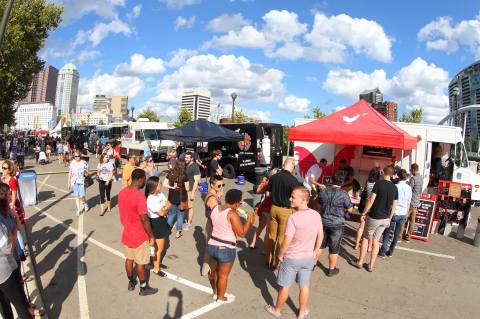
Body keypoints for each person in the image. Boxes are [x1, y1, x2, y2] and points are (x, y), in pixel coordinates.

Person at [264, 187, 323, 319]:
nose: (290, 199)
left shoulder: (293, 218)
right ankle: (302, 312)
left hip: (292, 258)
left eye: (293, 197)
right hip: (308, 258)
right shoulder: (316, 215)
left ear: (303, 200)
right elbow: (320, 235)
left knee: (285, 286)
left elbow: (287, 241)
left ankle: (277, 310)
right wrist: (315, 252)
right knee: (304, 286)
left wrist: (280, 255)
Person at [208, 189, 255, 303]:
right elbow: (242, 233)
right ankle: (221, 297)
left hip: (212, 245)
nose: (241, 204)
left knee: (215, 272)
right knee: (223, 275)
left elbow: (212, 223)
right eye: (240, 202)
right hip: (226, 248)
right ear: (237, 202)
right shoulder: (232, 214)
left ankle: (216, 292)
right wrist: (248, 220)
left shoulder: (215, 208)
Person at [118, 169, 158, 296]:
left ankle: (131, 281)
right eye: (144, 179)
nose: (145, 181)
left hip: (127, 232)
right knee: (140, 263)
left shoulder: (122, 193)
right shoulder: (140, 196)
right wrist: (151, 235)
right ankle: (143, 287)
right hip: (139, 235)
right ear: (140, 179)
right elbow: (144, 219)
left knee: (129, 259)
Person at [353, 166, 398, 272]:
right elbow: (394, 205)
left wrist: (364, 212)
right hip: (385, 218)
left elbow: (371, 199)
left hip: (374, 216)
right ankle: (371, 265)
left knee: (366, 238)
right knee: (377, 240)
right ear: (391, 175)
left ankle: (360, 262)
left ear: (384, 173)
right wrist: (389, 219)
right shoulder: (394, 188)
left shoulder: (379, 184)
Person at [0, 187, 35, 319]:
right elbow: (8, 248)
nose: (11, 197)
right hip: (6, 271)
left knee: (4, 306)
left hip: (7, 268)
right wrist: (14, 232)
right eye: (8, 195)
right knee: (21, 305)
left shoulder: (7, 213)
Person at [316, 171, 353, 276]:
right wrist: (344, 211)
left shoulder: (323, 191)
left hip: (323, 221)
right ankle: (331, 270)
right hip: (337, 224)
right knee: (334, 248)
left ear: (332, 180)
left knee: (319, 245)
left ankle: (312, 264)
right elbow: (350, 209)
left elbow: (318, 205)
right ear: (342, 182)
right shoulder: (344, 194)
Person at [267, 158, 300, 269]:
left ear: (283, 164)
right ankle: (276, 264)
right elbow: (295, 199)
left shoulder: (274, 177)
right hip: (285, 211)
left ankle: (268, 260)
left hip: (273, 208)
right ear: (292, 165)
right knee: (281, 238)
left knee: (271, 236)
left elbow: (268, 194)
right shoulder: (294, 181)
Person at [380, 169, 412, 257]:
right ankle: (391, 251)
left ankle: (383, 251)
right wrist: (406, 213)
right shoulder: (409, 188)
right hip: (403, 213)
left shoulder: (395, 186)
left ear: (398, 176)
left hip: (394, 212)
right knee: (396, 234)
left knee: (387, 232)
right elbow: (408, 202)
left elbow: (392, 201)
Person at [145, 176, 171, 277]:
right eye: (160, 183)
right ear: (155, 186)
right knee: (159, 248)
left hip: (160, 221)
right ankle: (156, 268)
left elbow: (169, 204)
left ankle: (155, 262)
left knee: (155, 247)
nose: (161, 184)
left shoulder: (160, 194)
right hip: (156, 223)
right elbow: (161, 213)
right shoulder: (151, 199)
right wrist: (165, 210)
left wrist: (165, 210)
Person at [201, 175, 224, 276]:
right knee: (211, 249)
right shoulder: (211, 198)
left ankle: (206, 270)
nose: (221, 188)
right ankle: (208, 271)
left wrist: (219, 196)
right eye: (219, 186)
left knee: (210, 249)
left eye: (223, 185)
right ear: (211, 185)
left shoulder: (214, 195)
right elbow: (217, 213)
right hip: (212, 226)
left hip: (211, 224)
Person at [355, 167, 382, 249]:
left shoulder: (367, 181)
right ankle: (369, 247)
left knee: (361, 226)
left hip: (363, 205)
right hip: (371, 207)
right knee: (371, 230)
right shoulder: (378, 184)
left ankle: (356, 244)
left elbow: (362, 190)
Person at [164, 161, 189, 239]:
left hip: (172, 198)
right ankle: (178, 232)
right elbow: (187, 188)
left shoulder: (171, 173)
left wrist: (172, 187)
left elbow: (164, 184)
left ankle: (166, 230)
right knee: (180, 216)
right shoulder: (184, 175)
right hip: (182, 198)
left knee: (171, 215)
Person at [1, 160, 26, 225]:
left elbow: (14, 196)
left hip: (12, 204)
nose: (2, 170)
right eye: (2, 168)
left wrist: (12, 206)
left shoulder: (12, 180)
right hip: (5, 203)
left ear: (9, 170)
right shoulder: (2, 179)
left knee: (15, 224)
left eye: (4, 168)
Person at [405, 163, 423, 241]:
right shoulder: (421, 177)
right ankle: (408, 236)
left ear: (413, 170)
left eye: (410, 170)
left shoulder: (413, 178)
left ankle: (399, 235)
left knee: (404, 218)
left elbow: (409, 188)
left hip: (411, 201)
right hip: (416, 201)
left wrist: (406, 183)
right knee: (412, 220)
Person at [67, 151, 89, 216]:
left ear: (80, 156)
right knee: (76, 196)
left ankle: (85, 203)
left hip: (82, 181)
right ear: (74, 156)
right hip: (75, 181)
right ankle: (78, 209)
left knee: (82, 195)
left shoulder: (84, 162)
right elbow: (70, 173)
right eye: (75, 156)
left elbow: (87, 172)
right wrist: (68, 182)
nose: (77, 157)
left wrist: (86, 172)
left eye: (78, 156)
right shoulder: (72, 163)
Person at [184, 152, 201, 230]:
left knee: (190, 207)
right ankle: (185, 220)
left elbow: (196, 181)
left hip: (190, 190)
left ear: (192, 158)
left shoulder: (195, 167)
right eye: (185, 157)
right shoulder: (186, 165)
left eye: (187, 158)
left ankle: (188, 223)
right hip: (184, 189)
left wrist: (193, 193)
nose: (185, 159)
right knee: (185, 206)